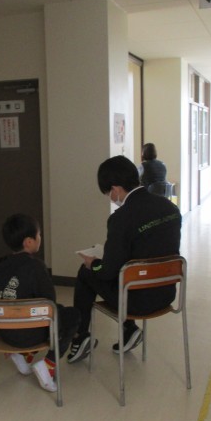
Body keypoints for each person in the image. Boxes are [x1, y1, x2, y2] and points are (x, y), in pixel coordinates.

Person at [67, 155, 181, 363]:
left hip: (137, 301)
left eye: (108, 193)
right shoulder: (170, 208)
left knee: (86, 273)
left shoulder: (120, 219)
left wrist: (93, 263)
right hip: (167, 293)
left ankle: (80, 337)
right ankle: (129, 330)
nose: (111, 198)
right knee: (128, 270)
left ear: (116, 189)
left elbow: (107, 272)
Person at [0, 213, 80, 392]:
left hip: (6, 331)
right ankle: (48, 365)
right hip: (29, 334)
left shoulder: (0, 267)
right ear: (29, 242)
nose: (40, 238)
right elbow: (49, 304)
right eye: (39, 235)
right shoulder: (35, 267)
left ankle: (23, 355)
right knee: (71, 315)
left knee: (57, 310)